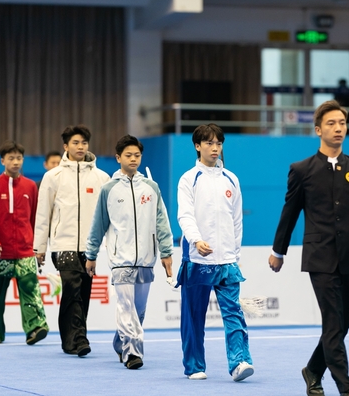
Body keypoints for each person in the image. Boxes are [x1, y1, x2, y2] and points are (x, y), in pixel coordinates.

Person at [269, 100, 349, 396]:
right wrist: (279, 251)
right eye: (331, 123)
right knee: (332, 321)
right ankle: (346, 387)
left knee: (341, 323)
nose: (338, 127)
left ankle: (313, 369)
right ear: (318, 130)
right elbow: (289, 212)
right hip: (320, 257)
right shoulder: (301, 170)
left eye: (342, 122)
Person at [85, 135, 174, 370]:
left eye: (137, 155)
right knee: (126, 306)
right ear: (118, 158)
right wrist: (91, 254)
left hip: (147, 258)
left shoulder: (152, 187)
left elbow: (161, 222)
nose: (133, 159)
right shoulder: (109, 189)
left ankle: (120, 341)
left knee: (139, 309)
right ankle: (133, 352)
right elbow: (98, 224)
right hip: (120, 259)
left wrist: (166, 252)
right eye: (128, 155)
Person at [176, 123, 253, 382]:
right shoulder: (189, 179)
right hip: (198, 259)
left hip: (227, 261)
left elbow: (237, 221)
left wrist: (235, 255)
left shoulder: (232, 179)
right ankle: (194, 365)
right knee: (194, 317)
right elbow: (184, 215)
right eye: (209, 143)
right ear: (197, 146)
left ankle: (240, 361)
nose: (215, 148)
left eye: (218, 143)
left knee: (234, 312)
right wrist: (196, 240)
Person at [33, 125, 110, 357]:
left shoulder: (101, 177)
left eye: (84, 143)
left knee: (83, 292)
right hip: (62, 245)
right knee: (72, 289)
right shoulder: (52, 176)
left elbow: (107, 216)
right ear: (65, 146)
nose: (80, 147)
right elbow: (42, 213)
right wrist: (40, 247)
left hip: (90, 247)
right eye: (75, 143)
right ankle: (79, 338)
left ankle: (70, 340)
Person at [0, 140, 49, 345]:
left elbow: (37, 218)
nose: (16, 162)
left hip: (25, 251)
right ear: (2, 161)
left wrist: (38, 246)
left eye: (19, 158)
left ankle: (35, 329)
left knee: (31, 293)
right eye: (11, 158)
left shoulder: (30, 186)